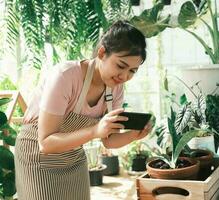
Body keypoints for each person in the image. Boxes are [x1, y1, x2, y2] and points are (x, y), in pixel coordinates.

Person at [14, 20, 151, 200]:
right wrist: (94, 131)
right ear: (102, 53)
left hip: (73, 157)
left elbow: (108, 141)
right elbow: (46, 143)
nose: (125, 76)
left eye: (133, 71)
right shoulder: (66, 76)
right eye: (120, 66)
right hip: (36, 157)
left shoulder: (115, 88)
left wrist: (134, 135)